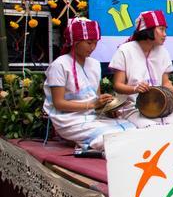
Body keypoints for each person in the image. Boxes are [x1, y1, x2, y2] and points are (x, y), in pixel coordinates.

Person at [43, 18, 134, 152]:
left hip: (93, 116)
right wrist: (92, 105)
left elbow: (96, 99)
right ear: (75, 42)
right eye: (89, 43)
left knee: (133, 129)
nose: (92, 47)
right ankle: (85, 143)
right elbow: (59, 104)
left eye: (95, 43)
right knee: (111, 138)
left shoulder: (94, 64)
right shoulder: (59, 65)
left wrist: (107, 107)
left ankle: (85, 142)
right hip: (69, 120)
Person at [109, 10, 173, 128]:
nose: (165, 34)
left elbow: (165, 83)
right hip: (133, 107)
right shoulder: (125, 50)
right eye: (161, 29)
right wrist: (135, 88)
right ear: (148, 30)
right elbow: (118, 85)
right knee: (150, 128)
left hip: (161, 106)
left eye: (165, 30)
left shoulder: (163, 52)